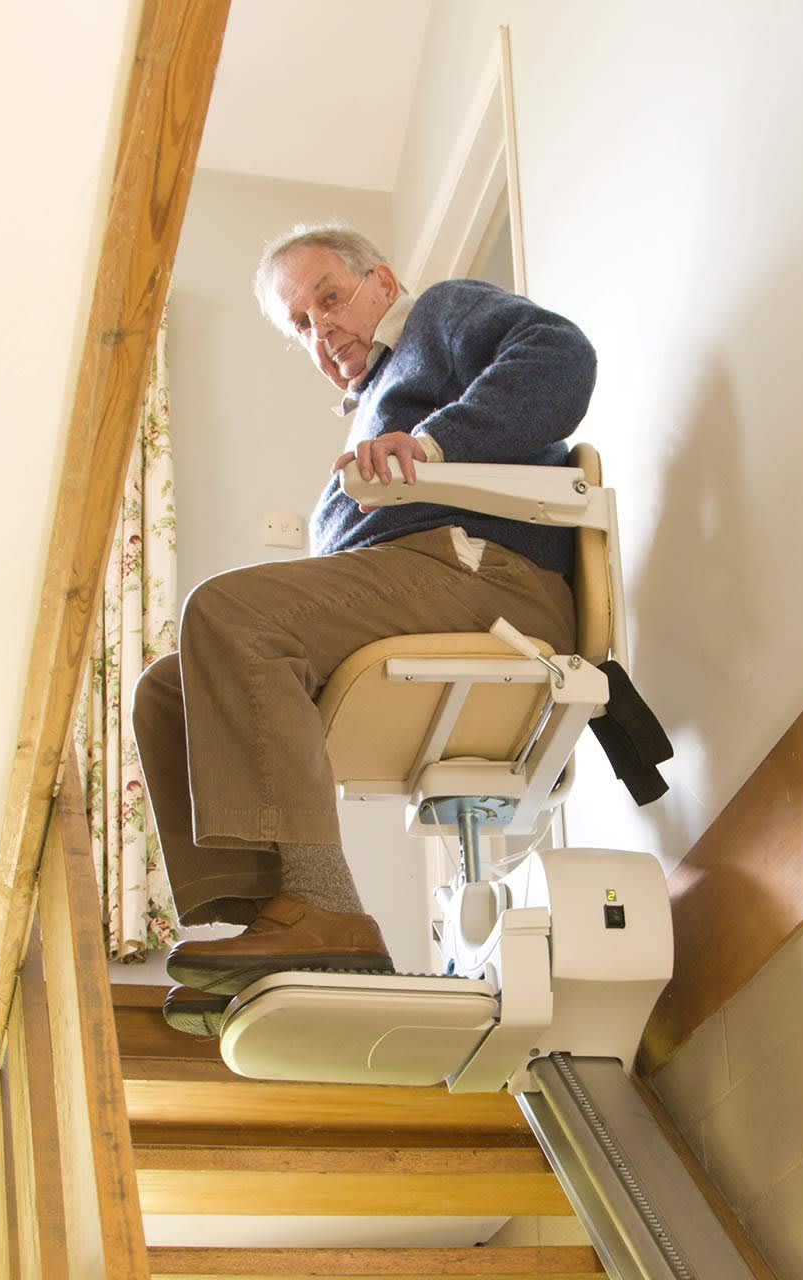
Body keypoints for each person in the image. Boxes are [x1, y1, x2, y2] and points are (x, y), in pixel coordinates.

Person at [132, 224, 596, 1035]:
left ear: (381, 282)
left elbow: (560, 357)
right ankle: (273, 915)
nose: (321, 329)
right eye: (301, 325)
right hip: (421, 583)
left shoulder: (440, 315)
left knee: (228, 613)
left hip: (486, 578)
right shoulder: (371, 410)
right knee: (169, 689)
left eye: (330, 298)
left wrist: (434, 444)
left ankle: (325, 910)